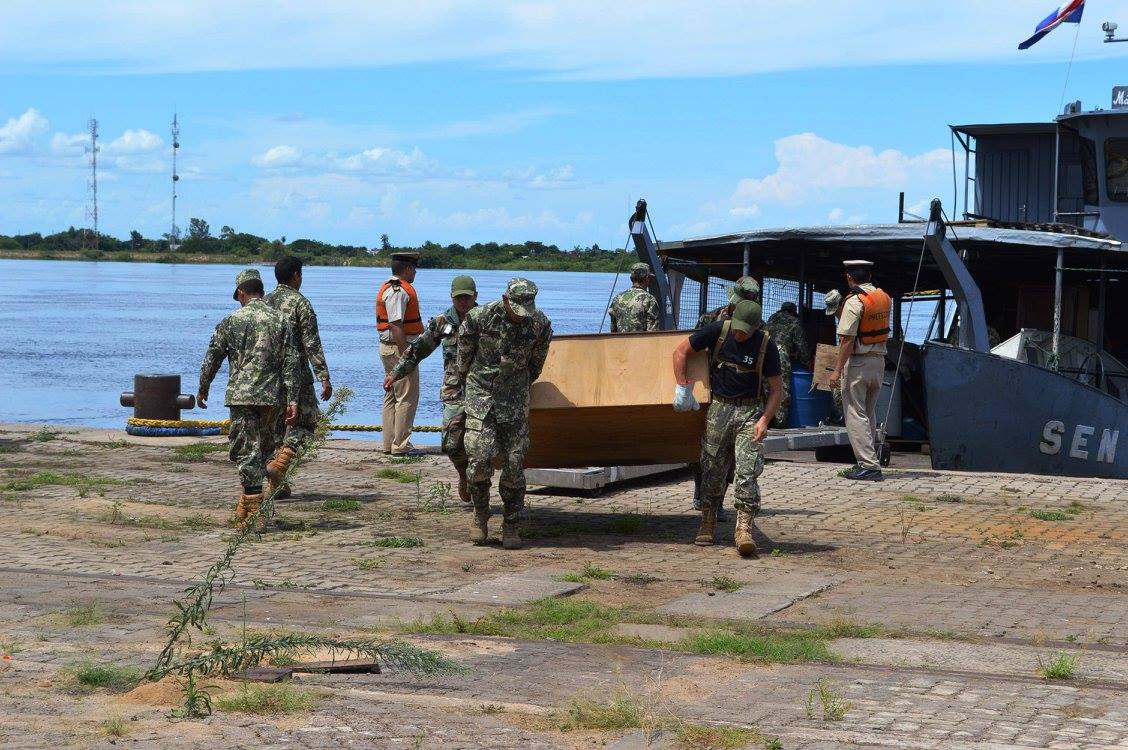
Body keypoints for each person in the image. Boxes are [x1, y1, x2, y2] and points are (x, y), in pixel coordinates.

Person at [673, 300, 783, 556]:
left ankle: (744, 528)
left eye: (745, 330)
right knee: (712, 467)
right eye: (737, 327)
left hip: (749, 412)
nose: (739, 333)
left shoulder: (767, 346)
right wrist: (682, 387)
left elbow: (777, 390)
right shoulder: (718, 331)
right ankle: (708, 521)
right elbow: (680, 352)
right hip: (719, 409)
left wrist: (764, 420)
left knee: (747, 471)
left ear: (756, 327)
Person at [197, 269, 299, 530]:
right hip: (272, 396)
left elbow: (213, 358)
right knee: (263, 451)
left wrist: (203, 387)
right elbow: (291, 361)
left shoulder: (231, 321)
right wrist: (293, 399)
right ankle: (246, 505)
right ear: (261, 292)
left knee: (246, 453)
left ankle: (255, 511)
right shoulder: (281, 321)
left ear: (241, 293)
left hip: (242, 396)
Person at [457, 278, 553, 549]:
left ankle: (511, 523)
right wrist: (472, 386)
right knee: (479, 459)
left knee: (514, 466)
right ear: (505, 299)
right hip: (482, 398)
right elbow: (463, 358)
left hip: (514, 401)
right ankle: (480, 513)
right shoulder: (479, 318)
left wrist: (516, 385)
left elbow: (536, 365)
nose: (521, 315)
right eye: (517, 308)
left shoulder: (539, 324)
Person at [385, 275, 479, 502]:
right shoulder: (443, 322)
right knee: (450, 443)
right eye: (459, 298)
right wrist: (396, 372)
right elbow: (419, 350)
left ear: (475, 297)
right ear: (452, 298)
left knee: (481, 445)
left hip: (483, 390)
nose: (463, 302)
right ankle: (464, 475)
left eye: (467, 297)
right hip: (454, 390)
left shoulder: (486, 320)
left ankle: (479, 488)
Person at [262, 256, 333, 497]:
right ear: (296, 275)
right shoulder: (301, 304)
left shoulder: (263, 302)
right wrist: (324, 376)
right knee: (310, 423)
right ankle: (280, 466)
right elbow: (312, 344)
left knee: (276, 429)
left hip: (268, 377)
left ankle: (275, 486)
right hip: (298, 377)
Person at [692, 275, 761, 517]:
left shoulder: (757, 328)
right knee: (709, 451)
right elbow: (693, 351)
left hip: (743, 398)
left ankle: (717, 499)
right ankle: (703, 494)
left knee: (734, 456)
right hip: (713, 393)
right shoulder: (712, 320)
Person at [830, 260, 890, 481]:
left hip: (859, 363)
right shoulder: (884, 297)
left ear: (849, 278)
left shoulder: (854, 302)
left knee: (855, 414)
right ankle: (869, 459)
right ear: (870, 275)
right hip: (879, 361)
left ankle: (869, 465)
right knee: (868, 413)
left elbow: (846, 340)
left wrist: (836, 371)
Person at [376, 251, 424, 455]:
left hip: (388, 349)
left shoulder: (388, 287)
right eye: (414, 269)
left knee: (392, 395)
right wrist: (407, 357)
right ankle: (400, 445)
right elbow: (396, 325)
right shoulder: (399, 291)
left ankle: (389, 443)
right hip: (399, 349)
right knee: (405, 396)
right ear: (407, 269)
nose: (415, 273)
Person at [764, 301, 809, 428]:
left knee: (765, 388)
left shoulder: (771, 318)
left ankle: (766, 421)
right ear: (793, 311)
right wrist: (806, 362)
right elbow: (801, 346)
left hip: (764, 353)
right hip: (780, 354)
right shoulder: (794, 322)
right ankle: (779, 423)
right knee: (781, 389)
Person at [608, 263, 659, 332]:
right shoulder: (649, 299)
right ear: (646, 278)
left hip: (620, 341)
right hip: (640, 341)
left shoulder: (617, 298)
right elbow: (652, 332)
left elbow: (613, 329)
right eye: (649, 278)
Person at [695, 276, 760, 329]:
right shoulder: (707, 319)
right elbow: (695, 343)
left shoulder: (758, 325)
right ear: (734, 301)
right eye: (742, 303)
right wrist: (719, 326)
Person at [823, 289, 845, 423]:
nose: (835, 314)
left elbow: (847, 344)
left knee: (839, 392)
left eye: (836, 310)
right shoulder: (841, 320)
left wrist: (837, 370)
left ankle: (844, 420)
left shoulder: (850, 317)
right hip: (844, 362)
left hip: (852, 362)